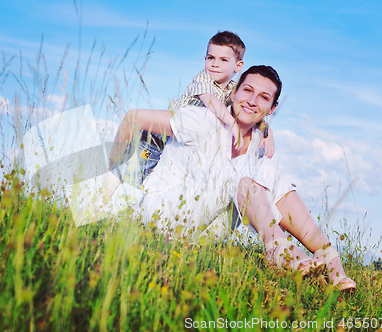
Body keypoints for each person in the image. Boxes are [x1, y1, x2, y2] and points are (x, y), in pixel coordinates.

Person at [136, 65, 356, 291]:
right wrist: (110, 172)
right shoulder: (203, 119)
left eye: (263, 97)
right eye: (247, 91)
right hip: (162, 214)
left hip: (205, 232)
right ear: (233, 94)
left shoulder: (258, 141)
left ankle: (329, 255)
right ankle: (279, 251)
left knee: (266, 167)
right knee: (244, 165)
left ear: (271, 109)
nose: (252, 101)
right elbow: (135, 118)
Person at [100, 31, 275, 203]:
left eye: (223, 60)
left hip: (181, 145)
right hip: (160, 136)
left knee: (156, 181)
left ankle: (136, 216)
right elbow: (211, 101)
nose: (215, 64)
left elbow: (247, 109)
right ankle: (97, 203)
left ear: (238, 66)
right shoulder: (203, 78)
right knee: (128, 167)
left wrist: (268, 133)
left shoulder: (234, 89)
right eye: (210, 58)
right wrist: (232, 124)